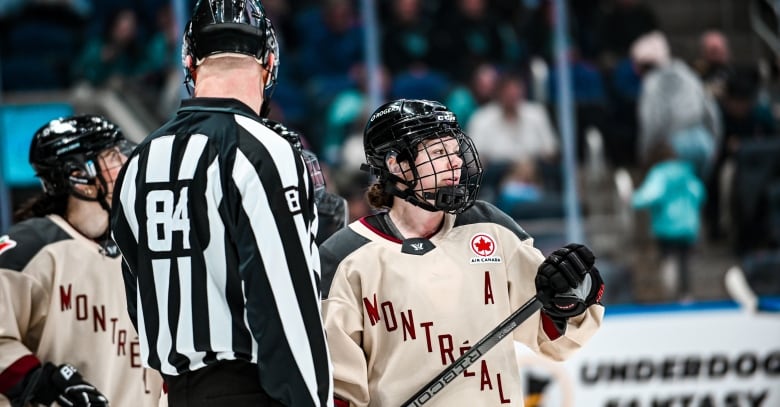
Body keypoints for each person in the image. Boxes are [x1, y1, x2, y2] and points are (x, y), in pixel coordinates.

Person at [109, 1, 333, 406]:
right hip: (254, 388)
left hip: (177, 392)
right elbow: (285, 302)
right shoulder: (265, 149)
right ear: (269, 62)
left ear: (190, 63)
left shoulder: (139, 161)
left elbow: (137, 295)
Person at [320, 99, 605, 406]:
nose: (455, 162)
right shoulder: (346, 258)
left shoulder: (491, 229)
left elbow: (555, 337)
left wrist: (572, 296)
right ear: (395, 164)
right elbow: (337, 388)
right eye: (439, 153)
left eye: (454, 151)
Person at [0, 114, 164, 407]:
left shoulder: (140, 251)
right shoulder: (29, 249)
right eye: (112, 156)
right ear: (79, 176)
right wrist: (40, 384)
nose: (125, 164)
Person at [631, 143, 706, 302]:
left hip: (667, 226)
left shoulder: (660, 173)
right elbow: (699, 193)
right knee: (685, 261)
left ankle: (670, 295)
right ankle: (686, 295)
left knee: (668, 259)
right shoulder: (686, 172)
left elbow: (652, 194)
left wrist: (633, 199)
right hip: (688, 226)